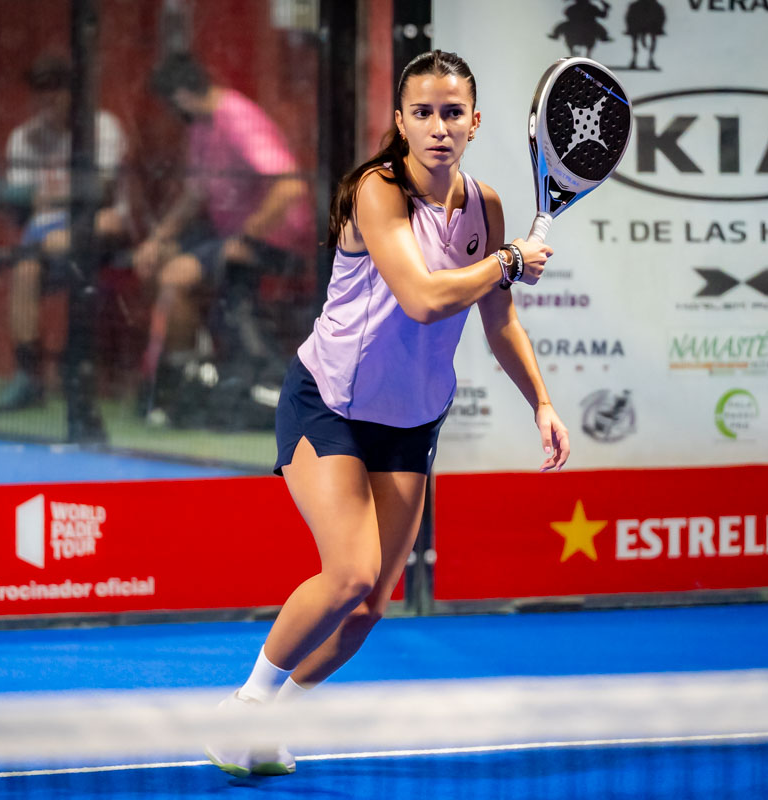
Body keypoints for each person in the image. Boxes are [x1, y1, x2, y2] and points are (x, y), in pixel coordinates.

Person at [204, 50, 570, 778]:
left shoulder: (487, 208)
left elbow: (500, 323)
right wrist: (506, 262)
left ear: (474, 122)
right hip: (330, 404)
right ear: (400, 121)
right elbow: (424, 297)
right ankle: (241, 710)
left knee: (369, 608)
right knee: (349, 573)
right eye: (423, 112)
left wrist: (543, 402)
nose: (439, 126)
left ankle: (272, 722)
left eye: (453, 113)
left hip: (410, 421)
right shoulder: (377, 190)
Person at [132, 54, 313, 423]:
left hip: (273, 239)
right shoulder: (202, 126)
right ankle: (183, 369)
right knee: (155, 264)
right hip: (227, 233)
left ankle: (183, 377)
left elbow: (289, 186)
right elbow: (196, 194)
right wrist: (158, 239)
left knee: (175, 277)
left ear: (181, 96)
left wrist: (246, 237)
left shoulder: (238, 119)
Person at [0, 53, 130, 412]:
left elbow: (100, 191)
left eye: (56, 91)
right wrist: (28, 200)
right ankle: (28, 376)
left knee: (102, 223)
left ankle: (80, 368)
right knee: (25, 268)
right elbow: (27, 205)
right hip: (45, 235)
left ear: (73, 93)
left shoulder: (103, 127)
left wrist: (42, 196)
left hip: (100, 228)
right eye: (41, 93)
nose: (47, 100)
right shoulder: (23, 138)